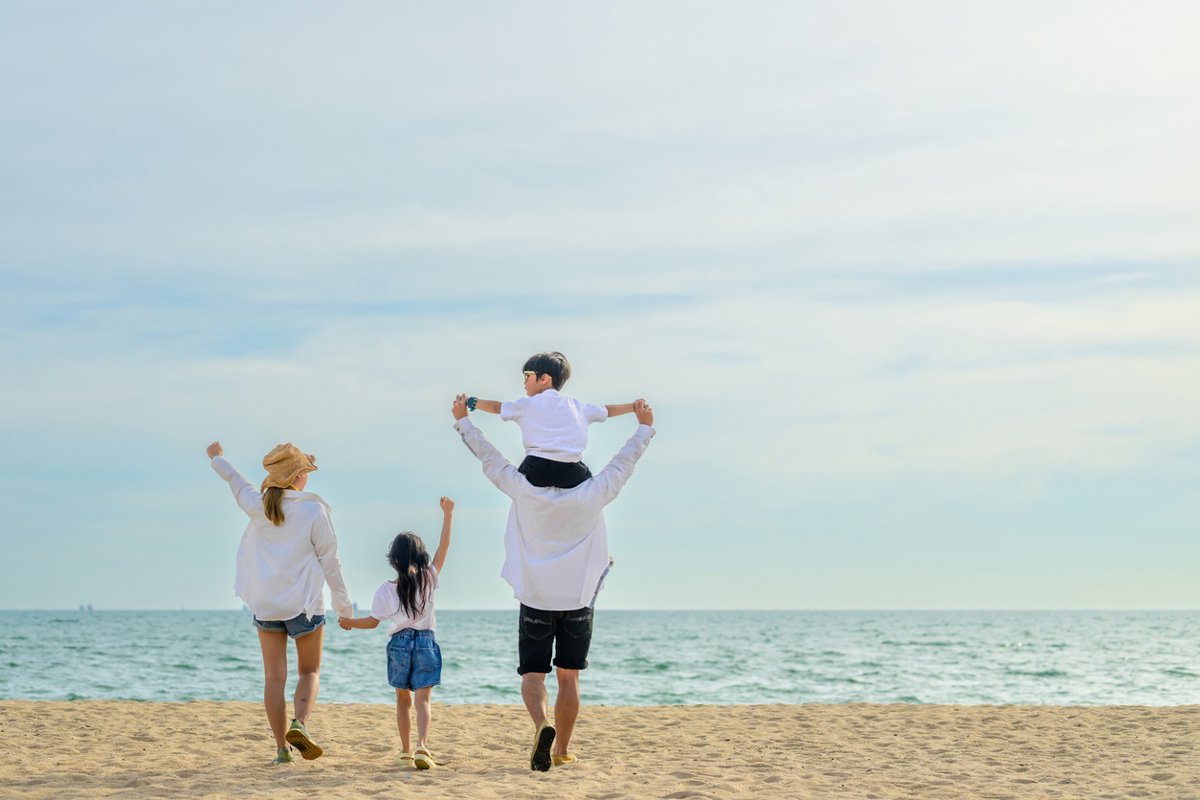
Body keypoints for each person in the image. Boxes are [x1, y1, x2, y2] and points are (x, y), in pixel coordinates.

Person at [450, 394, 656, 771]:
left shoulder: (524, 489)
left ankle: (541, 724)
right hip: (578, 599)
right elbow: (624, 461)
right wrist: (643, 428)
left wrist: (464, 421)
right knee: (569, 677)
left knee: (533, 675)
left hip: (536, 597)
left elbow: (489, 457)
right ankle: (561, 748)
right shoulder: (594, 492)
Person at [206, 440, 354, 766]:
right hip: (304, 604)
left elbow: (236, 481)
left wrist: (217, 458)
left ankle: (281, 751)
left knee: (274, 679)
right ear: (298, 476)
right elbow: (331, 562)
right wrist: (345, 609)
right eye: (305, 471)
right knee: (309, 671)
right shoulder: (313, 510)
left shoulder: (259, 505)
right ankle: (299, 724)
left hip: (267, 605)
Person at [339, 498, 454, 770]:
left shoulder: (385, 589)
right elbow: (444, 547)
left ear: (394, 559)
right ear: (421, 556)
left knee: (403, 700)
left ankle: (405, 751)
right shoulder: (429, 578)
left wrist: (349, 622)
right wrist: (448, 514)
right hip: (426, 641)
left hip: (399, 644)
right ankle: (422, 746)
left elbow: (372, 622)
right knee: (423, 700)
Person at [464, 351, 641, 489]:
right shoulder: (578, 406)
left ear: (544, 379)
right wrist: (633, 407)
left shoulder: (526, 404)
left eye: (527, 375)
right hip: (571, 471)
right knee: (589, 485)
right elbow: (607, 411)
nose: (524, 381)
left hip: (536, 469)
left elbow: (497, 407)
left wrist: (474, 402)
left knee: (520, 486)